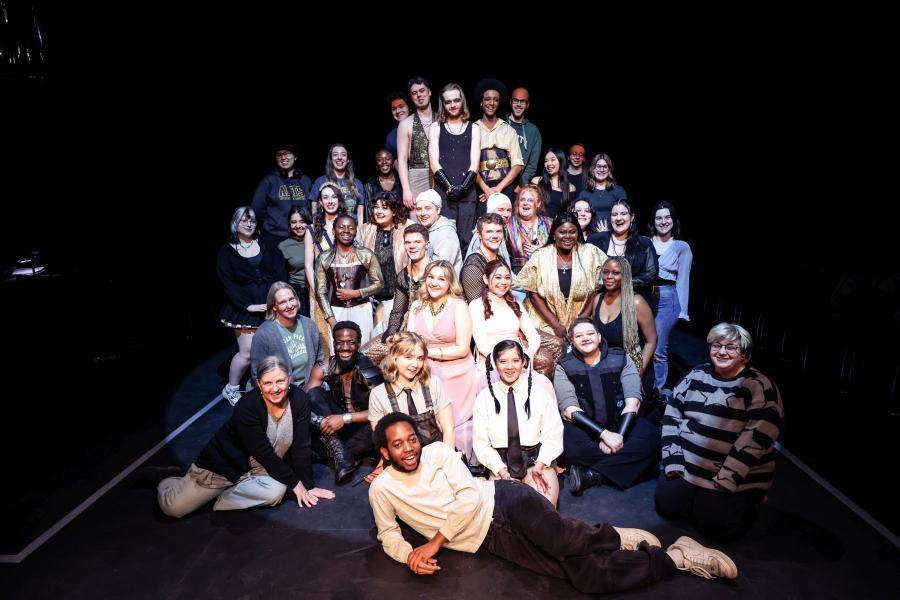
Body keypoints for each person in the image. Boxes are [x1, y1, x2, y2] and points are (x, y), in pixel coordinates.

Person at [369, 414, 740, 592]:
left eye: (411, 439)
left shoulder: (437, 452)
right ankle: (678, 558)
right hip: (489, 540)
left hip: (502, 500)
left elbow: (468, 497)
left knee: (564, 539)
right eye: (398, 444)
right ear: (385, 451)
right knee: (586, 578)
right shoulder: (382, 489)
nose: (409, 448)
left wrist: (433, 542)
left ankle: (610, 536)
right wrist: (409, 556)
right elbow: (388, 533)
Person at [157, 356, 335, 517]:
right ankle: (168, 479)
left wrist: (308, 485)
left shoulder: (299, 399)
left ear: (289, 379)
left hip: (262, 468)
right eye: (268, 383)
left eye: (280, 381)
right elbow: (262, 451)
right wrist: (297, 485)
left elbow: (301, 445)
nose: (275, 388)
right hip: (225, 466)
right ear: (258, 384)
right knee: (174, 508)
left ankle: (223, 496)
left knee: (276, 492)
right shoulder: (247, 407)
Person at [656, 323, 784, 541]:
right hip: (688, 467)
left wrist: (727, 478)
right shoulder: (696, 375)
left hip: (731, 475)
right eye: (717, 345)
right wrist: (673, 461)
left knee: (714, 524)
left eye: (731, 347)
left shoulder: (758, 385)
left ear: (744, 354)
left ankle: (751, 497)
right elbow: (671, 417)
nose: (722, 352)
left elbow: (757, 436)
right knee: (667, 506)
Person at [249, 283, 358, 483]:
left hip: (310, 389)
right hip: (280, 393)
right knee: (304, 401)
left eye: (292, 299)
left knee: (313, 395)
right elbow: (257, 374)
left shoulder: (308, 325)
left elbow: (318, 360)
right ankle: (340, 452)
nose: (289, 305)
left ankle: (333, 450)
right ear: (274, 306)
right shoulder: (264, 334)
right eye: (282, 302)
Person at [554, 318, 661, 494]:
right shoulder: (563, 366)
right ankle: (640, 467)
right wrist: (604, 435)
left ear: (599, 336)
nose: (585, 338)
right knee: (567, 448)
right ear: (572, 342)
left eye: (590, 333)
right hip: (586, 430)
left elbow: (633, 402)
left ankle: (593, 474)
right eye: (579, 336)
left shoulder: (621, 358)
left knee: (654, 439)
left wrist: (617, 436)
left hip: (620, 426)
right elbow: (569, 410)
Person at [473, 340, 563, 506]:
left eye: (515, 360)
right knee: (505, 510)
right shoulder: (484, 399)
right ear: (495, 363)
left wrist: (541, 463)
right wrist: (501, 470)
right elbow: (481, 444)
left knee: (544, 506)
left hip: (534, 462)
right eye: (503, 361)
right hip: (502, 465)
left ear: (524, 362)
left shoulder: (539, 394)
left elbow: (554, 434)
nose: (509, 367)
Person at [406, 260, 478, 459]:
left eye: (441, 278)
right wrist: (419, 357)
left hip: (456, 372)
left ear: (449, 283)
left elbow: (463, 349)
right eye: (431, 277)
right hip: (423, 367)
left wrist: (427, 352)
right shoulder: (416, 307)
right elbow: (411, 343)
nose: (435, 283)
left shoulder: (459, 306)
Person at [217, 207, 287, 405]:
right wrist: (247, 306)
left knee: (270, 350)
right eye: (244, 221)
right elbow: (227, 282)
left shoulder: (267, 244)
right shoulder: (227, 250)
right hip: (245, 310)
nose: (248, 224)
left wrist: (277, 298)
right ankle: (231, 389)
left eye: (252, 221)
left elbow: (280, 271)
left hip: (270, 306)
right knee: (247, 353)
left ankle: (259, 385)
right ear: (235, 224)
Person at [366, 332, 456, 481]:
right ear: (394, 357)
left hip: (438, 460)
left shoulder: (433, 384)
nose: (415, 364)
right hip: (402, 464)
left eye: (420, 358)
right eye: (408, 357)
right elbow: (383, 443)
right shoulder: (378, 394)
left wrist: (447, 466)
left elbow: (448, 429)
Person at [309, 321, 385, 483]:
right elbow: (303, 402)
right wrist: (320, 420)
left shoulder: (368, 368)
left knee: (317, 449)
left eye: (351, 342)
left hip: (363, 425)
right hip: (334, 423)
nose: (345, 347)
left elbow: (384, 410)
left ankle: (339, 452)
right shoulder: (324, 367)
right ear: (333, 343)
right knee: (314, 394)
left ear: (358, 344)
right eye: (340, 343)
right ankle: (341, 453)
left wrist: (344, 419)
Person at [515, 213, 606, 341]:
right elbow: (533, 295)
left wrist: (579, 322)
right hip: (545, 319)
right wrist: (556, 325)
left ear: (578, 233)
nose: (567, 236)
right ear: (554, 234)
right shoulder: (541, 255)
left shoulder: (590, 253)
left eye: (572, 232)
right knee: (551, 351)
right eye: (562, 232)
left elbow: (597, 289)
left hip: (583, 316)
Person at [586, 257, 658, 412]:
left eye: (615, 273)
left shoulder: (636, 302)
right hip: (607, 368)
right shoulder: (598, 299)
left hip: (633, 366)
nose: (609, 277)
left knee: (629, 421)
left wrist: (636, 374)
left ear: (625, 276)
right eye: (606, 272)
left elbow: (651, 340)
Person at [313, 214, 383, 345]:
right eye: (341, 227)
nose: (346, 231)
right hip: (335, 310)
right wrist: (331, 320)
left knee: (363, 347)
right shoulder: (323, 258)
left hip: (361, 309)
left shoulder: (366, 254)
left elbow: (379, 284)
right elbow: (320, 292)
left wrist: (356, 293)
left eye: (350, 228)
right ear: (333, 231)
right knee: (339, 349)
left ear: (356, 231)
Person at [648, 201, 693, 391]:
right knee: (642, 344)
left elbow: (683, 280)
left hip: (668, 298)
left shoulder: (681, 247)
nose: (663, 221)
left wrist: (683, 311)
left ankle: (658, 392)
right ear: (654, 221)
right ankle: (641, 387)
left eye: (667, 217)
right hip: (646, 296)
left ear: (673, 221)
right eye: (659, 218)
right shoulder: (646, 241)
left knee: (659, 349)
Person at [430, 82, 480, 249]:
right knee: (444, 241)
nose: (453, 105)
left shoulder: (474, 128)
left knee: (466, 241)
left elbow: (474, 164)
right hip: (444, 194)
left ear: (462, 102)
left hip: (467, 194)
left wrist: (462, 189)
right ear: (443, 104)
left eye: (456, 100)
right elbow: (434, 163)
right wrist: (450, 188)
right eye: (448, 101)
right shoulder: (436, 127)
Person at [469, 259, 540, 371]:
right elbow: (482, 344)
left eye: (507, 278)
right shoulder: (476, 305)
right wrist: (506, 362)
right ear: (485, 279)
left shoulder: (515, 304)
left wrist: (529, 354)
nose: (503, 282)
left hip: (518, 362)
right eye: (498, 277)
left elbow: (533, 335)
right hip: (491, 363)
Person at [305, 183, 349, 359]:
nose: (330, 201)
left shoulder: (348, 224)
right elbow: (308, 264)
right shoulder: (312, 229)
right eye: (325, 197)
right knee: (325, 335)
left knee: (345, 332)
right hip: (321, 287)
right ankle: (327, 376)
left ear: (339, 200)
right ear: (320, 203)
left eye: (333, 197)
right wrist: (317, 291)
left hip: (345, 288)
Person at [588, 198, 658, 306]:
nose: (618, 218)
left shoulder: (644, 243)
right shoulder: (595, 240)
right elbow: (587, 269)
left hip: (632, 302)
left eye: (623, 213)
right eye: (614, 214)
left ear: (632, 217)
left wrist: (621, 283)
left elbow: (651, 274)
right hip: (601, 301)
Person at [359, 192, 411, 338]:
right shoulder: (365, 230)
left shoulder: (406, 228)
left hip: (397, 299)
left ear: (394, 210)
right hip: (371, 301)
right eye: (376, 207)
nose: (379, 211)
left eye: (384, 207)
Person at [473, 78, 524, 210]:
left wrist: (498, 188)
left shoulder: (508, 130)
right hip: (480, 188)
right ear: (481, 102)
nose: (491, 103)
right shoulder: (473, 129)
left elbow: (517, 165)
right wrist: (486, 189)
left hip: (505, 187)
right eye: (487, 99)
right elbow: (470, 166)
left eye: (495, 99)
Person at [251, 144, 312, 241]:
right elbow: (256, 209)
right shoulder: (269, 180)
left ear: (295, 157)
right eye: (279, 154)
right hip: (275, 237)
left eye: (287, 153)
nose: (283, 157)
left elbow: (312, 208)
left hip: (303, 237)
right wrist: (274, 222)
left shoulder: (305, 180)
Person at [397, 76, 435, 213]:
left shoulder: (441, 119)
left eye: (422, 90)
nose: (419, 95)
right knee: (417, 223)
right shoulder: (405, 124)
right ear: (411, 97)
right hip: (417, 178)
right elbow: (401, 159)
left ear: (429, 92)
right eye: (414, 93)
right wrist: (406, 190)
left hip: (440, 178)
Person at [310, 143, 366, 224]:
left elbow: (360, 214)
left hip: (352, 231)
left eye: (343, 155)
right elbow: (314, 211)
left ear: (348, 160)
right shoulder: (320, 182)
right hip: (328, 231)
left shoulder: (358, 183)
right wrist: (316, 230)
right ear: (331, 159)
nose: (339, 158)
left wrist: (360, 233)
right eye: (335, 155)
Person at [460, 213, 506, 303]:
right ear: (479, 235)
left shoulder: (500, 259)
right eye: (489, 232)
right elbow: (478, 307)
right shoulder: (473, 265)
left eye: (499, 231)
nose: (495, 236)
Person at [506, 184, 553, 273]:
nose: (525, 203)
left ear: (538, 204)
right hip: (518, 280)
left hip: (545, 276)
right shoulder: (508, 226)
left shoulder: (550, 224)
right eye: (522, 199)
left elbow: (562, 253)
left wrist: (544, 251)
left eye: (530, 200)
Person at [414, 188, 462, 274]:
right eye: (418, 209)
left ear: (438, 210)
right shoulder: (424, 230)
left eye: (428, 208)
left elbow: (439, 271)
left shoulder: (446, 234)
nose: (422, 213)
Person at [576, 153, 627, 231]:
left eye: (605, 167)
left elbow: (625, 215)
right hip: (590, 235)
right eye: (598, 166)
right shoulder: (584, 193)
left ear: (609, 169)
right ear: (593, 169)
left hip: (613, 233)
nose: (601, 170)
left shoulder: (618, 191)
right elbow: (578, 216)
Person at [278, 207, 313, 317]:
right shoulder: (283, 246)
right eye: (293, 222)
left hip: (319, 290)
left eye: (302, 221)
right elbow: (281, 275)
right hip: (298, 293)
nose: (298, 226)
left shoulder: (319, 241)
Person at [507, 87, 542, 186]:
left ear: (527, 105)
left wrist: (521, 185)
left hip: (518, 186)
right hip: (496, 181)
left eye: (522, 101)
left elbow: (532, 165)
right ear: (510, 102)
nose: (518, 104)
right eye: (515, 101)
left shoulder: (533, 131)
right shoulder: (501, 123)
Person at [465, 192, 512, 265]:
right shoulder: (482, 231)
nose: (506, 214)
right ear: (491, 210)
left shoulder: (504, 230)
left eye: (508, 210)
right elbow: (472, 262)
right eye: (501, 210)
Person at [531, 148, 575, 220]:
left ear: (561, 161)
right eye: (546, 161)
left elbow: (568, 213)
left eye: (552, 160)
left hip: (557, 228)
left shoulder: (570, 188)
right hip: (538, 226)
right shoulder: (537, 181)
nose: (548, 164)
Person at [363, 149, 401, 222]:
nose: (384, 162)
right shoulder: (370, 184)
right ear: (376, 164)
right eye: (380, 160)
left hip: (400, 224)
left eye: (388, 159)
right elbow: (369, 209)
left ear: (393, 161)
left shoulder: (401, 182)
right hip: (378, 224)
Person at [385, 91, 409, 159]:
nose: (398, 111)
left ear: (409, 108)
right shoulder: (391, 137)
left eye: (401, 107)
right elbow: (393, 160)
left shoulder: (422, 126)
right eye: (394, 109)